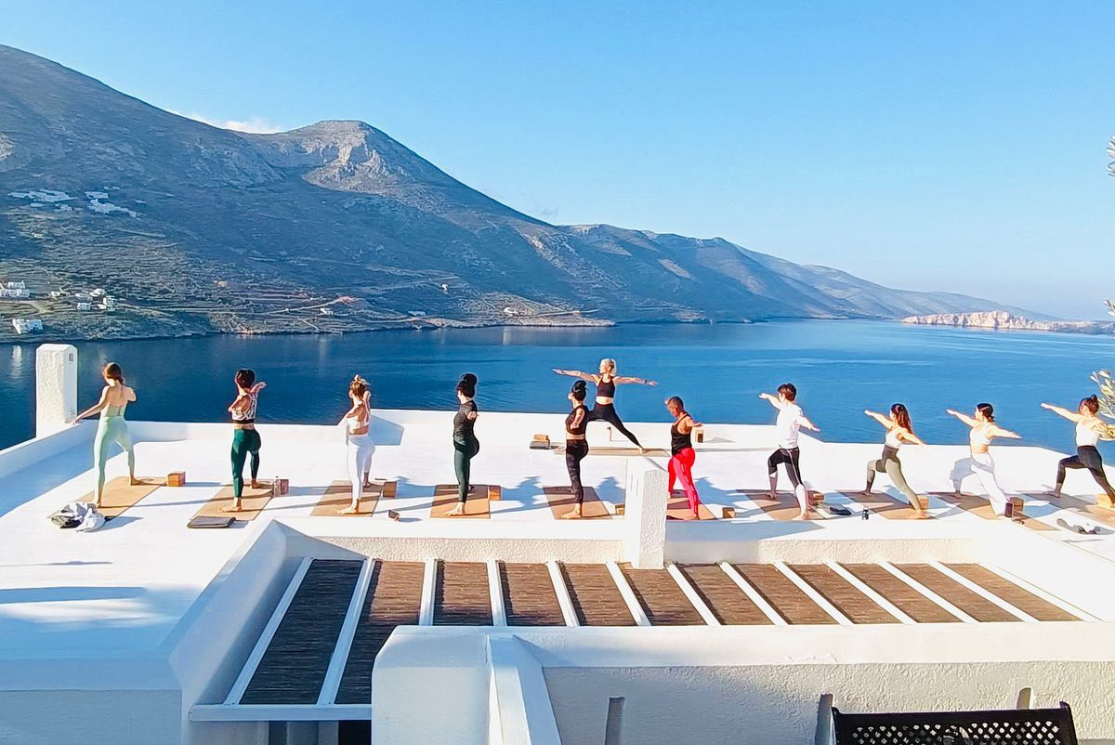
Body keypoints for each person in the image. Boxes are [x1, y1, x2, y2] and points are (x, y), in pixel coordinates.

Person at [553, 359, 656, 452]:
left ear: (607, 367)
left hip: (609, 412)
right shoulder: (597, 379)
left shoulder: (614, 380)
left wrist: (647, 382)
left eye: (601, 366)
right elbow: (579, 373)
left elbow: (632, 379)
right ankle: (567, 446)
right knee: (574, 423)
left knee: (623, 429)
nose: (599, 367)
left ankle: (639, 446)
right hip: (596, 410)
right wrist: (563, 372)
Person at [72, 362, 138, 507]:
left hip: (108, 426)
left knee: (100, 464)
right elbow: (133, 398)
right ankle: (132, 478)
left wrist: (80, 416)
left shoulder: (109, 389)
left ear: (105, 375)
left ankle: (98, 500)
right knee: (129, 450)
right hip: (121, 424)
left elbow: (101, 406)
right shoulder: (126, 389)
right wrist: (130, 390)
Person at [946, 403, 1020, 516]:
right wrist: (956, 413)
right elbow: (966, 419)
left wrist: (1010, 434)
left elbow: (998, 431)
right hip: (973, 459)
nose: (974, 413)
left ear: (982, 413)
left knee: (990, 486)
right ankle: (957, 492)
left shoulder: (990, 427)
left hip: (982, 461)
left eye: (976, 411)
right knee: (958, 469)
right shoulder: (978, 425)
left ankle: (1005, 506)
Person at [760, 383, 820, 520]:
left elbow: (801, 419)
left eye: (779, 395)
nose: (777, 397)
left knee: (796, 482)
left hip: (790, 451)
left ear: (783, 396)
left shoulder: (795, 410)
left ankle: (804, 512)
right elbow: (775, 402)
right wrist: (768, 396)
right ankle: (773, 492)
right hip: (782, 449)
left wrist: (810, 426)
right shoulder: (784, 407)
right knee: (771, 461)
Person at [1042, 396, 1115, 501]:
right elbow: (1066, 413)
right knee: (1062, 463)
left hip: (1090, 455)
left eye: (1082, 405)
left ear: (1086, 407)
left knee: (1102, 482)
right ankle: (1056, 491)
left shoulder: (1097, 422)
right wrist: (1050, 407)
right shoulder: (1081, 419)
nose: (1080, 407)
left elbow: (1107, 432)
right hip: (1082, 455)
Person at [863, 405, 929, 518]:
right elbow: (881, 418)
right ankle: (867, 490)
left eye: (890, 412)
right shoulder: (892, 426)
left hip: (891, 463)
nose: (889, 414)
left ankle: (920, 512)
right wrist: (871, 413)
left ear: (894, 414)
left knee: (903, 487)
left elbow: (909, 436)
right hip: (885, 462)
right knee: (870, 465)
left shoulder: (901, 430)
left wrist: (920, 442)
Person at [227, 369, 266, 512]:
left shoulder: (243, 398)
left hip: (241, 436)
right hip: (254, 435)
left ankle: (237, 503)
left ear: (237, 381)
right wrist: (259, 386)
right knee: (255, 454)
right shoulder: (253, 395)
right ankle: (254, 482)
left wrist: (232, 406)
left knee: (236, 470)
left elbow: (237, 403)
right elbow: (255, 390)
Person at [339, 375, 375, 514]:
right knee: (368, 458)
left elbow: (355, 411)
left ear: (351, 393)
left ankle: (355, 506)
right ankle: (367, 480)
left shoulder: (359, 406)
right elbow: (367, 393)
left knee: (355, 478)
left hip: (358, 445)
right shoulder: (366, 402)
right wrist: (358, 380)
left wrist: (348, 415)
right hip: (368, 443)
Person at [446, 373, 480, 517]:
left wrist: (472, 415)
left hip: (464, 446)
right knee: (464, 471)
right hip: (472, 444)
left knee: (461, 475)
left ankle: (461, 507)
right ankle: (468, 487)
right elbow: (471, 410)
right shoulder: (469, 404)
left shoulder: (468, 409)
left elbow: (470, 413)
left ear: (459, 392)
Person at [666, 396, 704, 519]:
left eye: (671, 409)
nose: (670, 412)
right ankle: (669, 491)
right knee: (670, 468)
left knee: (687, 484)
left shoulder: (686, 420)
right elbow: (684, 414)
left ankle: (695, 513)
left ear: (676, 408)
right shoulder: (682, 415)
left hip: (683, 455)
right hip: (678, 455)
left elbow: (690, 423)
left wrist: (695, 425)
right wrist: (668, 402)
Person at [561, 381, 591, 519]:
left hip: (575, 447)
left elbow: (578, 418)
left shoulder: (580, 410)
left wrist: (575, 423)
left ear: (572, 395)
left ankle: (578, 510)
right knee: (574, 474)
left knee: (575, 477)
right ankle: (574, 490)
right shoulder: (582, 407)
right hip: (575, 445)